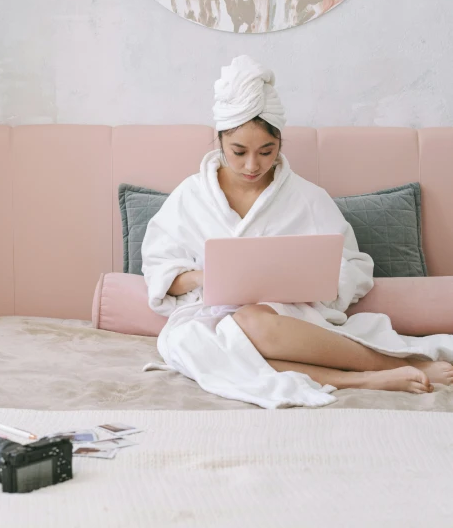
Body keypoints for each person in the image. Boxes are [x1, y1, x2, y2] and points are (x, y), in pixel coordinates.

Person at [141, 56, 453, 408]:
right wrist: (202, 276)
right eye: (238, 152)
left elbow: (352, 264)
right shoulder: (191, 196)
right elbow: (159, 268)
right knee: (212, 345)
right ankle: (370, 376)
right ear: (219, 141)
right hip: (206, 317)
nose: (252, 165)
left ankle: (395, 364)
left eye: (266, 151)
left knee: (251, 323)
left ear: (280, 145)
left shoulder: (306, 198)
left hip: (285, 319)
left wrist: (311, 284)